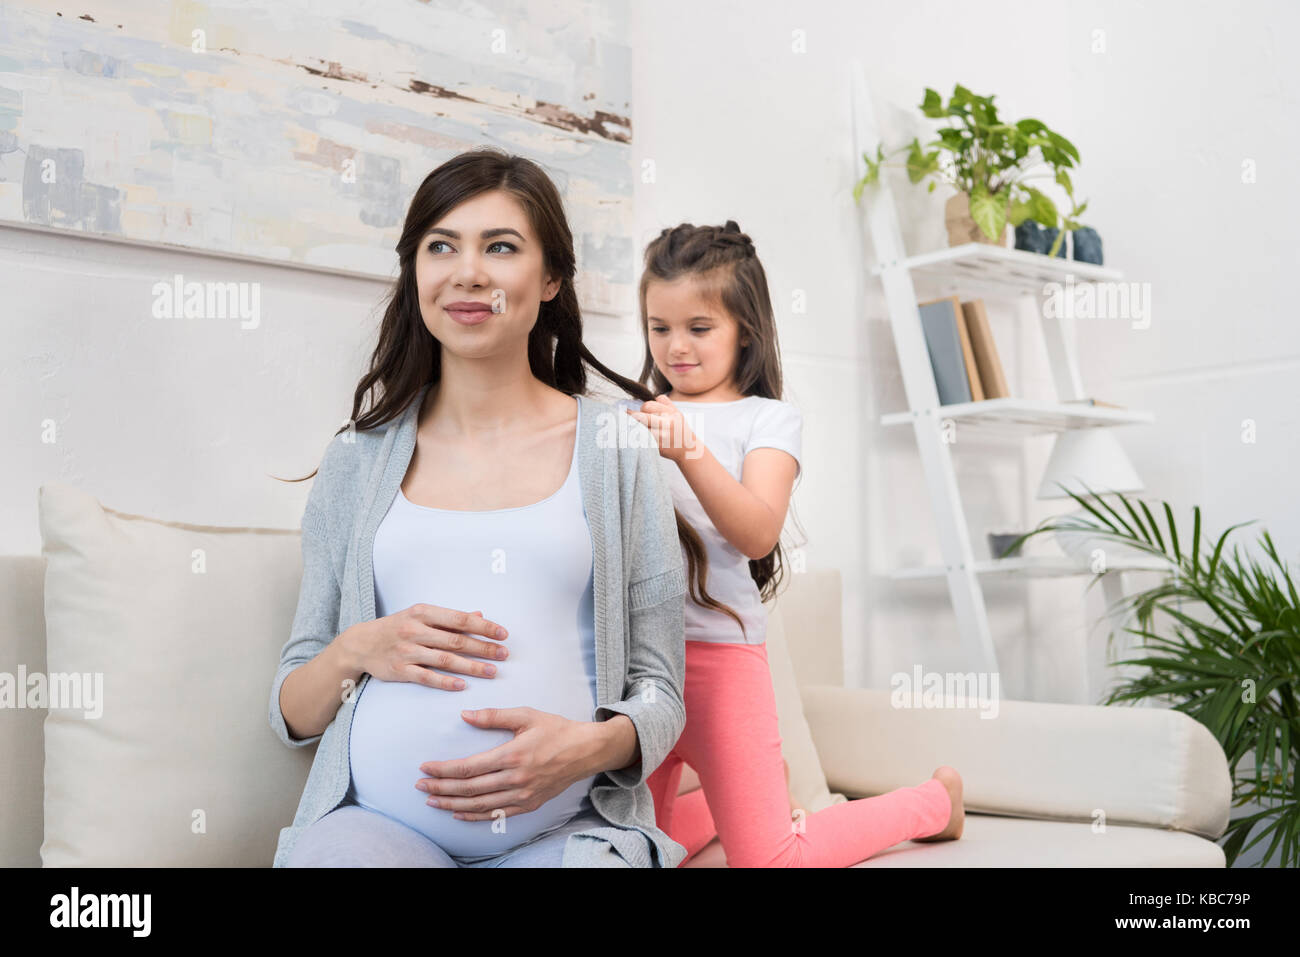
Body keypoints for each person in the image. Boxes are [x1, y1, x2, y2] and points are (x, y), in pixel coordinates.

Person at [267, 149, 729, 868]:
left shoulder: (614, 446)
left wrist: (589, 746)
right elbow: (292, 710)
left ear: (550, 278)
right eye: (441, 246)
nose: (468, 271)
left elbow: (661, 691)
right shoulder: (355, 462)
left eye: (501, 247)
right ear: (415, 271)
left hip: (563, 833)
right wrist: (356, 649)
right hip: (380, 832)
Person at [625, 220, 966, 867]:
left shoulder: (766, 418)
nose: (675, 346)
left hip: (722, 664)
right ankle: (746, 801)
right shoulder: (632, 415)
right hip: (644, 665)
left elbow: (756, 530)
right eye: (658, 327)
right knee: (636, 852)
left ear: (744, 328)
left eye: (699, 328)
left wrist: (687, 448)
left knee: (770, 860)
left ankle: (933, 804)